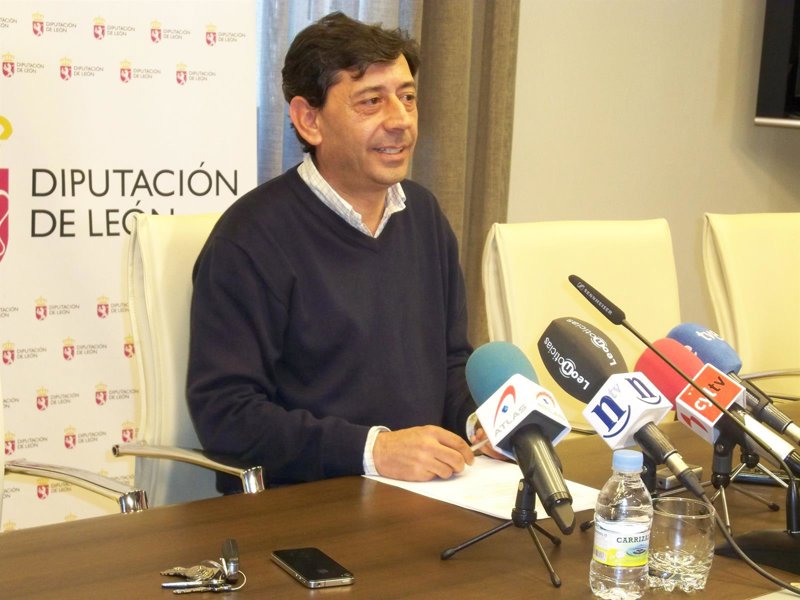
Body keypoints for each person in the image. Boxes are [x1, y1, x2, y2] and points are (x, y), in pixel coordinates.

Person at [187, 11, 486, 492]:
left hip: (424, 494)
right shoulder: (249, 239)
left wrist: (479, 422)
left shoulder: (424, 216)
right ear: (309, 120)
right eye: (371, 101)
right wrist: (373, 451)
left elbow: (450, 363)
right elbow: (227, 415)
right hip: (305, 505)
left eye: (408, 97)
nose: (401, 121)